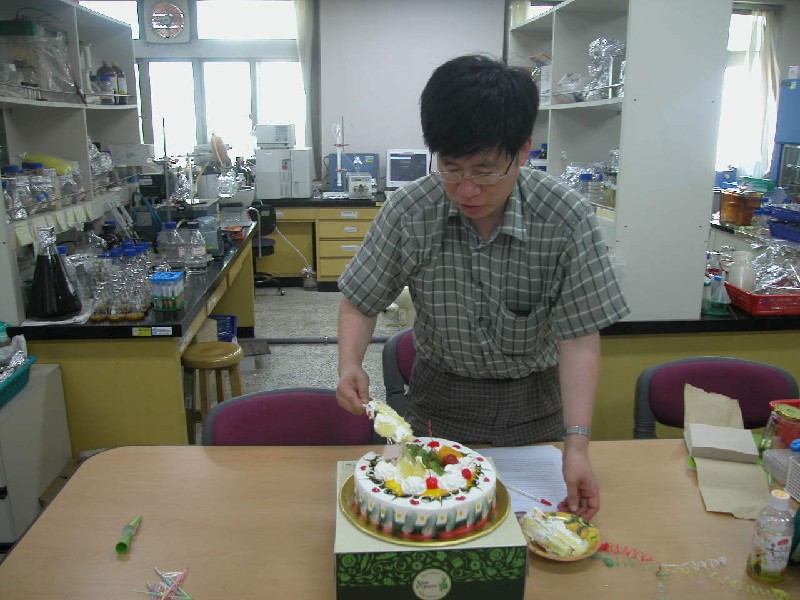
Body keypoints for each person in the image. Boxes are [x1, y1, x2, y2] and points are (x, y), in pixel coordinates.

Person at [335, 54, 629, 520]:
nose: (466, 188)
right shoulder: (411, 211)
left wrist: (577, 445)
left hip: (536, 408)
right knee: (433, 525)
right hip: (439, 405)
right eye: (451, 168)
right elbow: (360, 301)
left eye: (485, 170)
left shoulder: (564, 218)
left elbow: (579, 339)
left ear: (523, 152)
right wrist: (349, 364)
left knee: (536, 530)